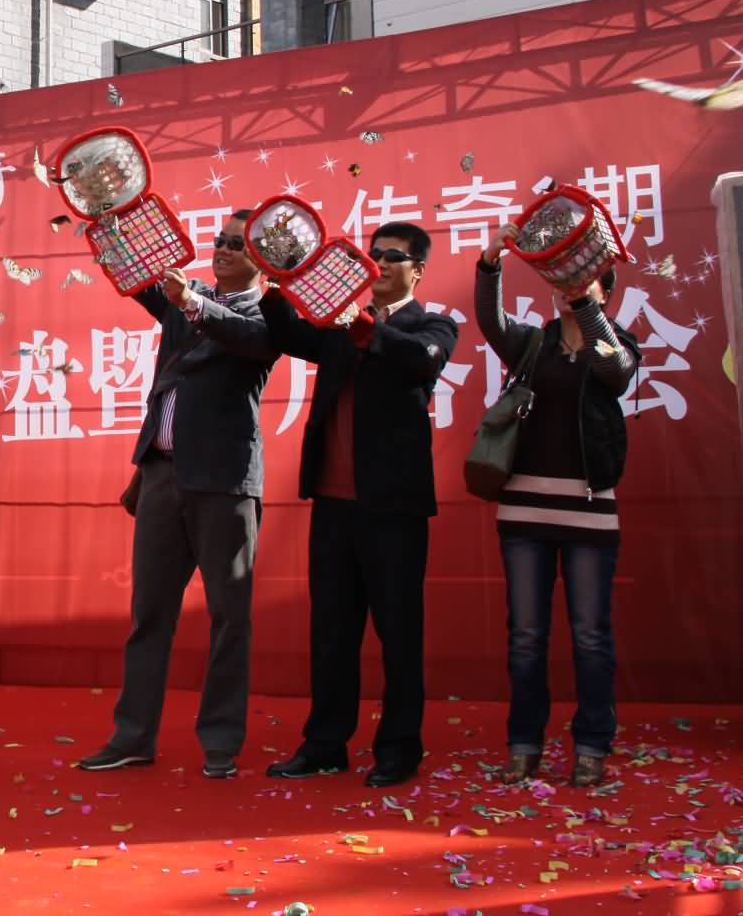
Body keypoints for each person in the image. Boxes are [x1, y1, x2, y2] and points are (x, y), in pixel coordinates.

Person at [80, 210, 279, 779]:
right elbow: (135, 274)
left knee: (229, 617)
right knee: (149, 614)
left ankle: (220, 741)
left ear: (263, 260)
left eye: (238, 245)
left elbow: (245, 337)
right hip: (163, 477)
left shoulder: (268, 314)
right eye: (220, 240)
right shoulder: (184, 301)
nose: (223, 250)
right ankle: (132, 736)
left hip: (224, 483)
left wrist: (191, 301)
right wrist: (105, 214)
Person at [261, 221, 458, 788]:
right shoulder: (338, 325)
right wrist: (276, 285)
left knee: (399, 633)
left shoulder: (431, 325)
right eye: (374, 255)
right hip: (333, 504)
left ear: (418, 269)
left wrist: (364, 326)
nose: (380, 264)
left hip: (393, 508)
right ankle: (325, 744)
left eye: (392, 256)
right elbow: (289, 334)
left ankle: (399, 748)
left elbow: (423, 361)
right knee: (331, 632)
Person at [478, 225, 640, 788]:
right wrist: (490, 262)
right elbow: (491, 322)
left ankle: (592, 745)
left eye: (583, 280)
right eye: (562, 281)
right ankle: (524, 744)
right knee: (526, 637)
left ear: (605, 292)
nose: (567, 289)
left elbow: (615, 373)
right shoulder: (532, 344)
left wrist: (586, 308)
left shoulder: (616, 345)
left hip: (590, 513)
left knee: (590, 635)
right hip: (524, 512)